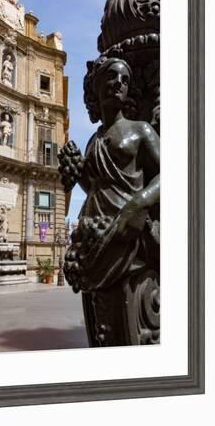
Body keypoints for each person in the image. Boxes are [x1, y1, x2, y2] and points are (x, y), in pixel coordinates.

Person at [58, 56, 160, 342]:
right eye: (112, 77)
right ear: (98, 87)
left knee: (129, 317)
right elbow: (95, 187)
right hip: (96, 234)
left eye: (126, 80)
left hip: (127, 236)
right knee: (103, 327)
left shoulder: (141, 130)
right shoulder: (94, 141)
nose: (119, 84)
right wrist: (76, 172)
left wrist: (139, 202)